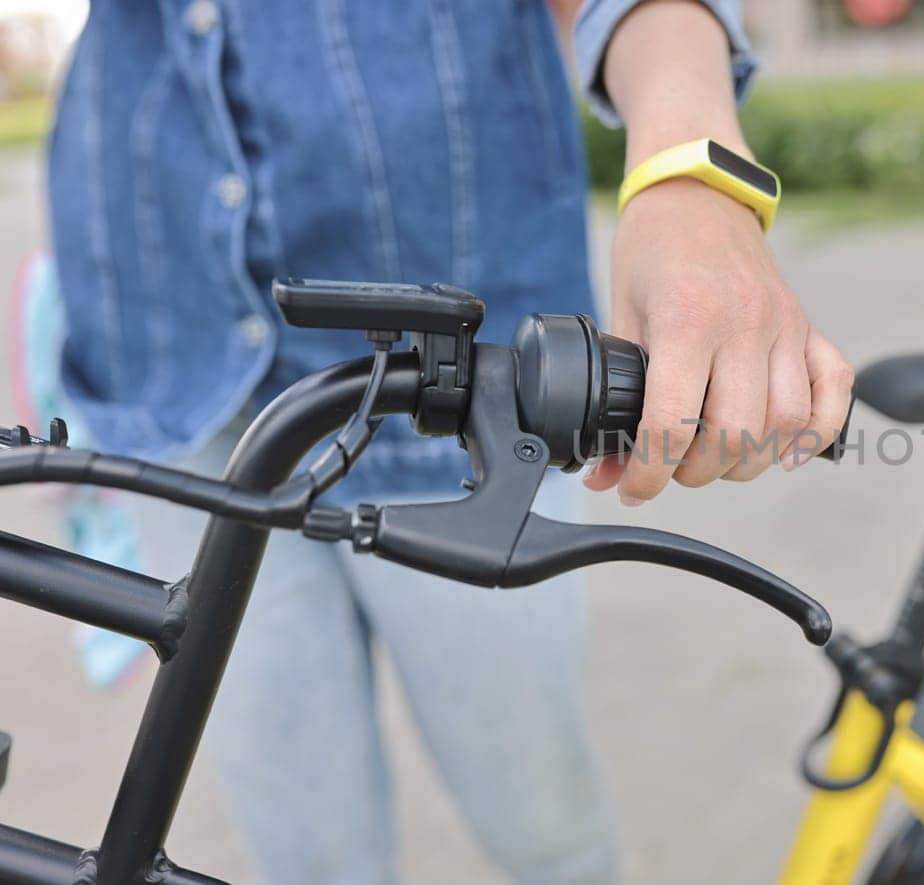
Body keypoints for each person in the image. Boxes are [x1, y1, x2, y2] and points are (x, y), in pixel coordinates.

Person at [46, 1, 853, 882]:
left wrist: (691, 174)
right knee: (304, 852)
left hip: (476, 406)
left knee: (542, 825)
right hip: (176, 385)